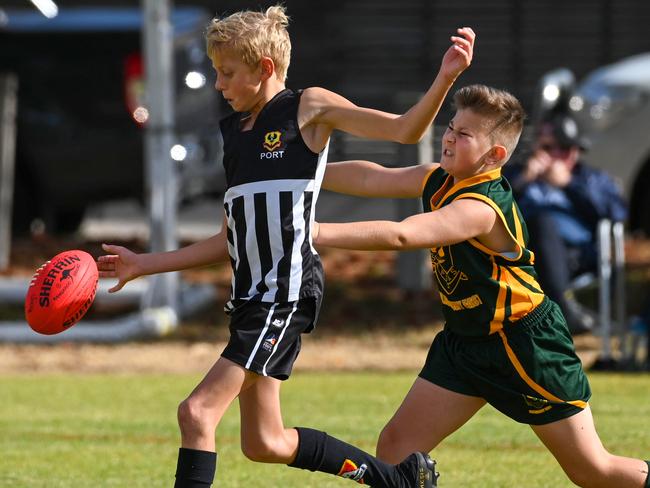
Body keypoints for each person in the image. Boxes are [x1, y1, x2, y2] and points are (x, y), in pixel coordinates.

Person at [97, 5, 475, 487]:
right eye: (216, 72)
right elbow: (228, 240)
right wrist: (144, 264)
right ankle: (398, 481)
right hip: (251, 299)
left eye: (227, 72)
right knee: (265, 443)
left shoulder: (308, 108)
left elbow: (405, 129)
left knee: (196, 413)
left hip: (283, 295)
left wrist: (445, 78)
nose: (218, 84)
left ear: (265, 68)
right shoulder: (233, 136)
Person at [314, 84, 650, 487]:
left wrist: (312, 230)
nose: (450, 137)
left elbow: (402, 235)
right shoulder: (438, 179)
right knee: (396, 448)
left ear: (495, 156)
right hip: (466, 343)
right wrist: (304, 174)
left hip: (526, 346)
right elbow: (373, 179)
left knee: (592, 471)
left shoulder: (481, 209)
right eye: (451, 127)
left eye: (464, 134)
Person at [506, 113, 628, 334]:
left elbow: (617, 213)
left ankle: (559, 312)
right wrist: (522, 181)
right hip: (519, 253)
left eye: (568, 148)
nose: (561, 155)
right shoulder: (516, 175)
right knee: (539, 223)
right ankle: (560, 314)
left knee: (543, 223)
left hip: (576, 254)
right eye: (548, 147)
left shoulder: (591, 178)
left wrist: (570, 185)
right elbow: (490, 208)